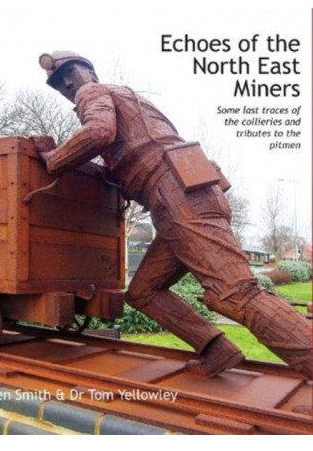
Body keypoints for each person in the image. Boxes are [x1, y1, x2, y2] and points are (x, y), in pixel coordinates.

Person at [32, 50, 312, 378]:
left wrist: (53, 158)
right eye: (60, 83)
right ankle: (216, 348)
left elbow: (98, 132)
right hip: (181, 196)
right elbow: (133, 153)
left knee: (235, 292)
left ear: (91, 73)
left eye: (71, 74)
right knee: (144, 292)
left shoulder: (92, 92)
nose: (68, 84)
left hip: (178, 197)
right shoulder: (129, 100)